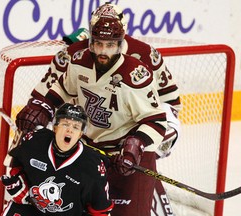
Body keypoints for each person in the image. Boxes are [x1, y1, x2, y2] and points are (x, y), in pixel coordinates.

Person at [15, 3, 181, 215]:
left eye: (110, 45)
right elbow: (63, 88)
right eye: (99, 44)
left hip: (126, 156)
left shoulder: (136, 75)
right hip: (90, 153)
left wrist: (136, 145)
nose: (103, 51)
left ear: (121, 44)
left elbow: (156, 121)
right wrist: (43, 107)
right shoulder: (78, 61)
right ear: (91, 42)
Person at [1, 103, 114, 215]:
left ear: (80, 134)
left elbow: (101, 211)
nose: (70, 130)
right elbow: (15, 163)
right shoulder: (36, 140)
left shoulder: (92, 165)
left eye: (76, 127)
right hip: (33, 210)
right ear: (55, 127)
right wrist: (20, 184)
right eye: (65, 124)